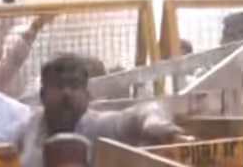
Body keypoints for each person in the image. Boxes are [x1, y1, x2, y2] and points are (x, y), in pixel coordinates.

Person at [10, 54, 188, 167]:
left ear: (88, 95)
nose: (67, 93)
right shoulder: (25, 130)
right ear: (42, 95)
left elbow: (145, 111)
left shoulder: (101, 126)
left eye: (74, 85)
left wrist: (155, 122)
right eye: (58, 86)